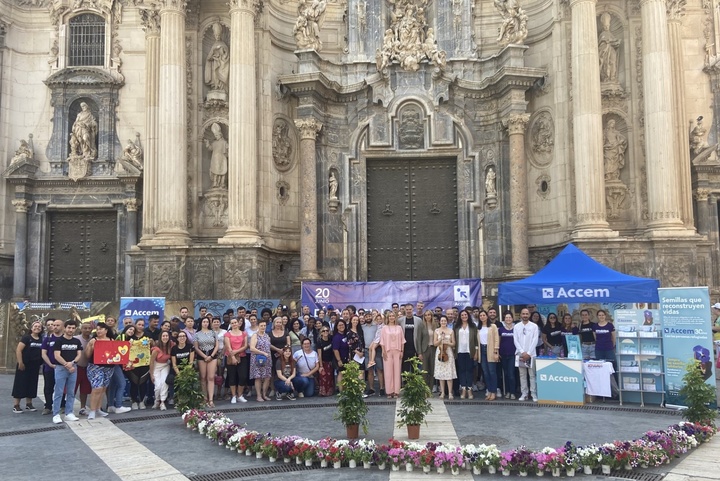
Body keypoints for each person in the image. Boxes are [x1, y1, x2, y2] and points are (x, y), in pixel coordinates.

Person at [51, 319, 82, 423]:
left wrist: (72, 363)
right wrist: (66, 364)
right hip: (61, 369)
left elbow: (79, 355)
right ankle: (56, 414)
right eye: (69, 327)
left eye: (73, 328)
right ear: (65, 328)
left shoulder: (77, 341)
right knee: (59, 392)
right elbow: (57, 355)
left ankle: (69, 412)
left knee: (71, 392)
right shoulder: (59, 341)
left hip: (73, 369)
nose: (71, 330)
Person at [83, 322, 116, 420]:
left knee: (103, 388)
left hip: (109, 367)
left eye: (101, 329)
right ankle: (92, 410)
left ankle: (98, 408)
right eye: (97, 329)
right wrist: (92, 347)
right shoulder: (93, 340)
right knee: (97, 388)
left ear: (106, 330)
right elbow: (87, 355)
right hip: (95, 366)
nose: (99, 331)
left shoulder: (111, 340)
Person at [12, 321, 44, 413]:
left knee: (32, 384)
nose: (37, 328)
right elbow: (18, 350)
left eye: (39, 326)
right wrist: (20, 362)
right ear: (31, 328)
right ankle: (16, 405)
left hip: (35, 365)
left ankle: (29, 404)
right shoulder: (26, 338)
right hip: (24, 364)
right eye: (35, 326)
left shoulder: (41, 339)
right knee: (20, 384)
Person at [514, 308, 539, 402]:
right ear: (520, 315)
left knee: (532, 375)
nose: (525, 315)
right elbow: (515, 340)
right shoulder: (516, 326)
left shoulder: (534, 326)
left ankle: (533, 394)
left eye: (526, 314)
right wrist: (522, 352)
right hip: (520, 354)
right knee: (522, 375)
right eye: (523, 313)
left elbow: (535, 340)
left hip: (531, 354)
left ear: (529, 315)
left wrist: (528, 353)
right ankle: (524, 393)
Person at [194, 317, 219, 408]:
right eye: (204, 322)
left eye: (207, 322)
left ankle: (211, 399)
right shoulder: (197, 334)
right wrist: (204, 356)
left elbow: (217, 345)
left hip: (212, 355)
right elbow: (196, 347)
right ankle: (204, 398)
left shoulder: (213, 333)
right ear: (201, 323)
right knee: (203, 377)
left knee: (211, 377)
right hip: (202, 356)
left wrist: (211, 356)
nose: (205, 323)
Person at [453, 309, 478, 399]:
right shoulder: (456, 326)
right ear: (460, 317)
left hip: (469, 351)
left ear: (468, 316)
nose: (464, 316)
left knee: (470, 370)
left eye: (465, 315)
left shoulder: (472, 326)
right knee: (462, 370)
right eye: (462, 315)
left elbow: (476, 340)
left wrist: (476, 352)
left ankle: (469, 389)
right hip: (459, 351)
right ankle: (463, 389)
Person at [40, 319, 63, 415]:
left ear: (62, 326)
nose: (55, 327)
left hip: (62, 368)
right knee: (48, 387)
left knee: (61, 387)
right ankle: (48, 406)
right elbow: (43, 353)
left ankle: (62, 405)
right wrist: (50, 364)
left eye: (57, 325)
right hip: (50, 367)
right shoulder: (48, 339)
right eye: (54, 325)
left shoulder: (65, 339)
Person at [380, 311, 404, 399]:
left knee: (397, 371)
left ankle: (396, 391)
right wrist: (383, 351)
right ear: (387, 317)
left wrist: (402, 351)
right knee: (388, 371)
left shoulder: (399, 328)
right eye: (390, 316)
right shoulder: (384, 328)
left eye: (393, 316)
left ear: (395, 317)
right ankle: (389, 391)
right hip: (387, 351)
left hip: (397, 351)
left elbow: (402, 341)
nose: (391, 317)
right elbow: (382, 341)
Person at [224, 317, 248, 403]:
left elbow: (245, 346)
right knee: (232, 377)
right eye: (232, 323)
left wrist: (236, 351)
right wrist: (233, 356)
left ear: (238, 323)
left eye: (235, 322)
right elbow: (228, 346)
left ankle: (240, 395)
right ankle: (233, 396)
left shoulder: (244, 333)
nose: (234, 324)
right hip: (230, 357)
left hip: (242, 356)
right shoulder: (227, 334)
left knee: (243, 376)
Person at [477, 310, 499, 400]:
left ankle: (494, 392)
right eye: (480, 315)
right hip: (481, 350)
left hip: (490, 349)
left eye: (483, 315)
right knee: (485, 372)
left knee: (492, 372)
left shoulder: (492, 326)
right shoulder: (478, 328)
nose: (482, 317)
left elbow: (496, 339)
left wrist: (496, 351)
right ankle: (489, 391)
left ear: (487, 316)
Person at [433, 315, 456, 400]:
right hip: (439, 352)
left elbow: (453, 343)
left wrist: (447, 342)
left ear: (447, 322)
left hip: (448, 352)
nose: (443, 322)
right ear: (439, 322)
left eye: (445, 321)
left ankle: (450, 392)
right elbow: (435, 343)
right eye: (442, 321)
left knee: (449, 373)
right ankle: (442, 392)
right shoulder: (437, 331)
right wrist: (440, 339)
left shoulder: (451, 331)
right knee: (441, 374)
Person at [150, 331, 174, 411]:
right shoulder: (156, 349)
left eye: (167, 336)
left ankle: (162, 402)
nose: (165, 337)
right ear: (160, 337)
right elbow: (151, 362)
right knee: (158, 386)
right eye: (163, 336)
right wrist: (151, 374)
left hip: (165, 366)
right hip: (156, 366)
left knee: (164, 383)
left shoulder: (171, 346)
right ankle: (157, 400)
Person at [250, 320, 272, 402]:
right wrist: (262, 353)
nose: (263, 327)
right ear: (258, 326)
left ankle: (264, 394)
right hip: (257, 359)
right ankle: (258, 396)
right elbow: (252, 348)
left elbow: (269, 346)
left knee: (267, 377)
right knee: (258, 377)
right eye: (261, 325)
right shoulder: (255, 336)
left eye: (264, 325)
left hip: (267, 359)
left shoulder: (267, 336)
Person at [73, 321, 93, 415]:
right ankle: (68, 407)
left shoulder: (93, 339)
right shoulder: (75, 339)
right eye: (85, 328)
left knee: (85, 390)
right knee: (72, 388)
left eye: (89, 328)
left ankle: (83, 407)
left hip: (88, 368)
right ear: (81, 329)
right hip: (77, 367)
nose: (87, 330)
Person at [204, 22, 229, 92]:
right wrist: (212, 57)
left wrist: (221, 53)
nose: (217, 37)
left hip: (221, 64)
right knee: (215, 76)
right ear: (214, 35)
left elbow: (226, 54)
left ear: (220, 35)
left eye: (218, 35)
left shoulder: (223, 44)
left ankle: (220, 87)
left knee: (220, 75)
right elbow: (209, 57)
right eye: (216, 35)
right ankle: (215, 86)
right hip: (215, 64)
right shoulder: (214, 45)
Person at [498, 311, 517, 399]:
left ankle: (513, 392)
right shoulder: (501, 329)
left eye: (509, 317)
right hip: (503, 354)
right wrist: (497, 352)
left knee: (511, 374)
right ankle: (508, 391)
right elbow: (499, 341)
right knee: (505, 374)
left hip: (513, 354)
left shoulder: (516, 329)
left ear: (512, 319)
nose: (508, 319)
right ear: (504, 319)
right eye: (506, 318)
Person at [205, 123, 228, 189]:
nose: (216, 136)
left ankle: (222, 183)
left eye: (217, 135)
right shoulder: (214, 143)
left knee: (222, 170)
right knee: (215, 170)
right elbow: (210, 148)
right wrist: (207, 143)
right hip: (215, 159)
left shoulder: (224, 142)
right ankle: (215, 183)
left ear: (220, 135)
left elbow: (227, 149)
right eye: (215, 135)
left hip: (222, 158)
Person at [420, 310, 437, 390]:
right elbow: (418, 339)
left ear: (431, 316)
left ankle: (430, 388)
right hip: (425, 350)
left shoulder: (436, 325)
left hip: (433, 349)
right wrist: (419, 352)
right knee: (424, 370)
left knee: (432, 369)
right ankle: (424, 388)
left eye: (429, 315)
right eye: (426, 315)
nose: (427, 316)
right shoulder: (422, 326)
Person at [316, 323, 335, 396]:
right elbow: (319, 354)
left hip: (330, 361)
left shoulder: (331, 339)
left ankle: (330, 391)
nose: (325, 332)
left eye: (327, 330)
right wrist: (321, 365)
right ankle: (323, 392)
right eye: (323, 331)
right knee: (323, 377)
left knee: (330, 377)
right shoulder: (319, 342)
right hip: (323, 362)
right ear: (321, 333)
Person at [332, 319, 351, 390]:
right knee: (340, 373)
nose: (341, 326)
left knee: (346, 374)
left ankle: (345, 389)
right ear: (336, 327)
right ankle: (341, 390)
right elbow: (335, 349)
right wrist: (339, 360)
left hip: (347, 358)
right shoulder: (336, 337)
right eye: (339, 325)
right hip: (340, 358)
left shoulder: (346, 334)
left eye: (342, 325)